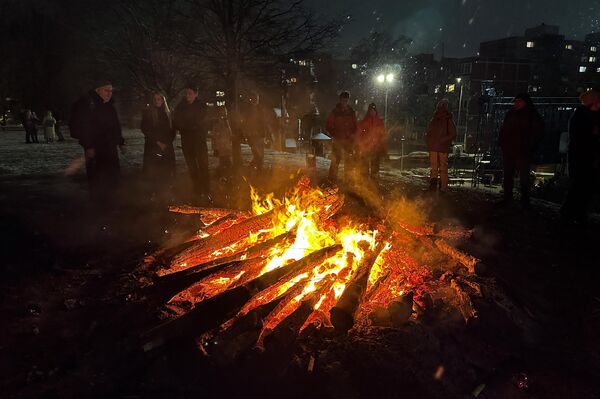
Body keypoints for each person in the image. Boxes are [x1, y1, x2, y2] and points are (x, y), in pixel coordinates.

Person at [70, 80, 126, 200]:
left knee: (112, 177)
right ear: (98, 90)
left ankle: (112, 202)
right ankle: (98, 205)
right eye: (106, 90)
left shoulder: (110, 107)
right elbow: (83, 127)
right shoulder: (89, 106)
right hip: (95, 149)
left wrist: (121, 142)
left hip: (110, 148)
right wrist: (88, 146)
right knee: (98, 178)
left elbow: (116, 126)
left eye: (111, 90)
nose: (109, 93)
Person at [498, 93, 544, 208]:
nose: (516, 103)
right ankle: (507, 198)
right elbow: (503, 130)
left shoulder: (532, 115)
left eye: (519, 101)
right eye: (515, 101)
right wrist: (503, 144)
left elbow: (537, 133)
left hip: (523, 152)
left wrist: (528, 146)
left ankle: (525, 200)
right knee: (508, 175)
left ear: (525, 102)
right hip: (509, 151)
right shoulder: (511, 114)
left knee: (524, 177)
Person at [560, 90, 600, 224]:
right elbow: (578, 137)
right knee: (578, 186)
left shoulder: (588, 115)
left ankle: (578, 213)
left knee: (586, 188)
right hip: (581, 157)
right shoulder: (581, 116)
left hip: (589, 158)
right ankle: (570, 213)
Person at [173, 85, 211, 201]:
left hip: (199, 141)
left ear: (196, 94)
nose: (188, 96)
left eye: (190, 93)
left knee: (203, 165)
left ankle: (206, 189)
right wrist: (187, 125)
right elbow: (178, 122)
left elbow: (200, 122)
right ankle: (197, 188)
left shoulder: (201, 106)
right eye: (186, 93)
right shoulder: (181, 106)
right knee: (192, 166)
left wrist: (188, 125)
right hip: (187, 142)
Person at [140, 92, 176, 189]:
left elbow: (172, 130)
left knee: (167, 171)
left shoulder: (168, 113)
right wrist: (158, 142)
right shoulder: (148, 113)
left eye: (159, 99)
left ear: (163, 100)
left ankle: (166, 193)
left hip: (167, 147)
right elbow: (146, 129)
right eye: (155, 99)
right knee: (154, 173)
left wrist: (167, 143)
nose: (157, 101)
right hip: (153, 147)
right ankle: (154, 193)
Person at [424, 100, 457, 193]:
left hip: (439, 147)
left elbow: (452, 134)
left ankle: (439, 186)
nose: (440, 110)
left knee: (439, 167)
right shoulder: (440, 120)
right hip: (438, 147)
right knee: (439, 167)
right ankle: (438, 186)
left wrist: (441, 140)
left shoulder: (445, 120)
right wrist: (430, 140)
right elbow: (429, 132)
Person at [326, 91, 357, 182]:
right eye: (343, 100)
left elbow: (355, 126)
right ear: (340, 100)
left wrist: (352, 135)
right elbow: (329, 125)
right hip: (338, 140)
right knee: (335, 159)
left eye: (346, 101)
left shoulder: (351, 112)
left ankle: (348, 179)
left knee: (349, 160)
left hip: (348, 140)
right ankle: (332, 179)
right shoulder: (335, 112)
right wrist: (334, 133)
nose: (344, 102)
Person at [355, 103, 387, 180]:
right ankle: (365, 185)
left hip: (376, 149)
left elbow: (383, 137)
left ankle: (374, 185)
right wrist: (359, 147)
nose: (372, 112)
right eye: (371, 110)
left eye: (374, 110)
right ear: (369, 111)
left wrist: (384, 149)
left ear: (376, 111)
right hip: (366, 149)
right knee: (364, 169)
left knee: (375, 169)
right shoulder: (364, 122)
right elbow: (358, 136)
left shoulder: (379, 123)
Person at [243, 92, 271, 171]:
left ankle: (258, 170)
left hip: (260, 136)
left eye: (257, 99)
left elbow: (264, 122)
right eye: (254, 99)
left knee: (260, 155)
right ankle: (252, 169)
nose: (256, 101)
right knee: (257, 154)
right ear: (251, 100)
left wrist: (267, 134)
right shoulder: (248, 111)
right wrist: (247, 135)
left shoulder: (260, 109)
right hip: (252, 136)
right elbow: (246, 124)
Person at [212, 106, 233, 178]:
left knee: (227, 162)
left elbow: (229, 134)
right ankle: (221, 176)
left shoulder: (227, 122)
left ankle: (225, 176)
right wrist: (215, 148)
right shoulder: (217, 123)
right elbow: (214, 136)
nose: (225, 113)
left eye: (225, 112)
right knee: (224, 162)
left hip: (227, 146)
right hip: (221, 147)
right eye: (223, 111)